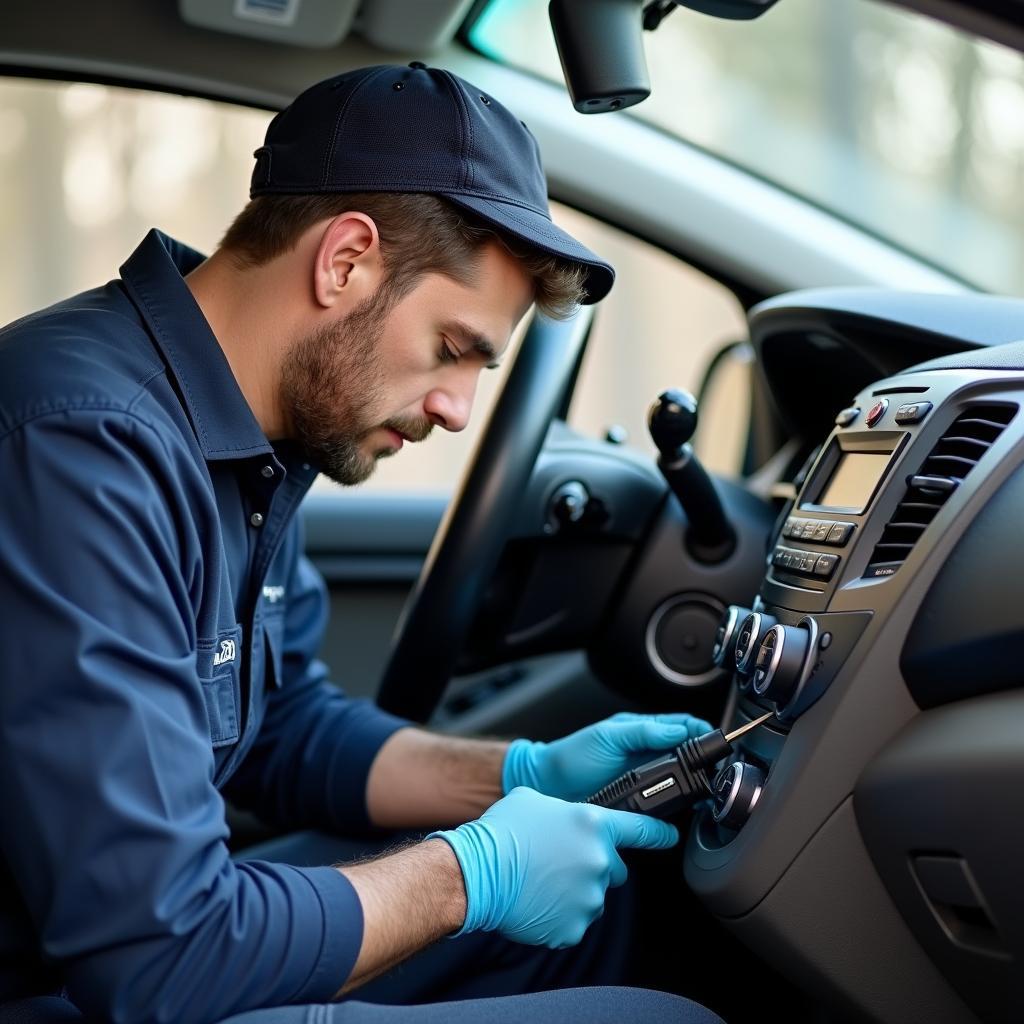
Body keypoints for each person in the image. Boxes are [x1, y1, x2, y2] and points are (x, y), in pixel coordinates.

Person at [0, 63, 724, 1024]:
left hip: (135, 947)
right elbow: (160, 953)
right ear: (345, 260)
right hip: (63, 984)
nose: (459, 411)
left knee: (607, 914)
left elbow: (282, 727)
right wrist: (475, 875)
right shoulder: (84, 441)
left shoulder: (249, 428)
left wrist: (514, 776)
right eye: (453, 349)